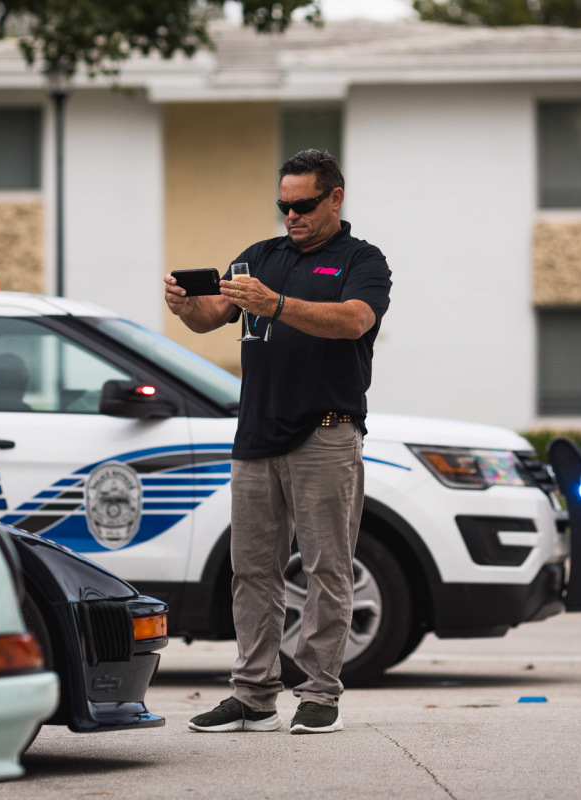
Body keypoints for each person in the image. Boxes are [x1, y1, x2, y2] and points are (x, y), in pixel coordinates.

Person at [164, 149, 391, 734]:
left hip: (324, 434)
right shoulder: (259, 256)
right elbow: (212, 313)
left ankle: (319, 694)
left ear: (334, 199)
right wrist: (186, 306)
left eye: (304, 205)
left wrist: (279, 305)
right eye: (284, 205)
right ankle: (254, 694)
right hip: (256, 435)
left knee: (326, 568)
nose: (292, 215)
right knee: (252, 572)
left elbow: (354, 321)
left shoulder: (362, 259)